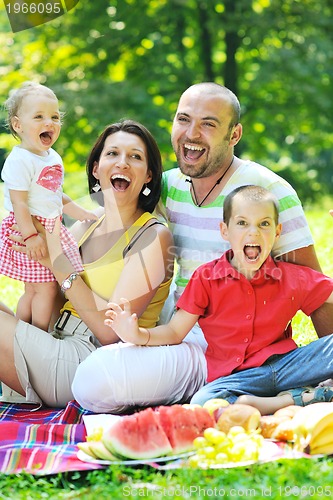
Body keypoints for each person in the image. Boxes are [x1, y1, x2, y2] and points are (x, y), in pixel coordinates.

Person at [72, 82, 332, 414]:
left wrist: (327, 369)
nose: (191, 133)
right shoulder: (167, 185)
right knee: (93, 380)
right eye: (183, 119)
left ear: (234, 135)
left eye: (208, 124)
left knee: (96, 380)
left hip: (246, 344)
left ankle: (245, 386)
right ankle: (227, 389)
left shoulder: (269, 192)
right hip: (181, 331)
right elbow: (110, 210)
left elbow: (318, 292)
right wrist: (46, 229)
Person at [105, 186, 333, 415]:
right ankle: (294, 399)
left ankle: (288, 397)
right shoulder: (206, 279)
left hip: (288, 366)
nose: (253, 232)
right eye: (242, 223)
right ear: (225, 230)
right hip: (238, 379)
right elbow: (174, 332)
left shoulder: (292, 277)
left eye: (264, 224)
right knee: (203, 402)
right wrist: (137, 335)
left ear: (277, 232)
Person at [0, 119, 174, 408]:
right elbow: (49, 295)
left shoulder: (154, 236)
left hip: (91, 360)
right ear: (96, 168)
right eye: (112, 154)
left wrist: (54, 260)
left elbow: (110, 333)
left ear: (148, 176)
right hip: (56, 339)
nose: (123, 163)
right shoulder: (85, 226)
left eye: (135, 157)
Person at [0, 81, 96, 331]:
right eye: (39, 116)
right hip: (29, 228)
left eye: (54, 116)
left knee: (37, 288)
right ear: (18, 125)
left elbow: (55, 194)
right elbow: (19, 203)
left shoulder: (51, 156)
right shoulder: (20, 160)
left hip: (50, 228)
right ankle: (38, 334)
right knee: (43, 287)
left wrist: (81, 213)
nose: (49, 122)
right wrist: (31, 236)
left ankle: (21, 331)